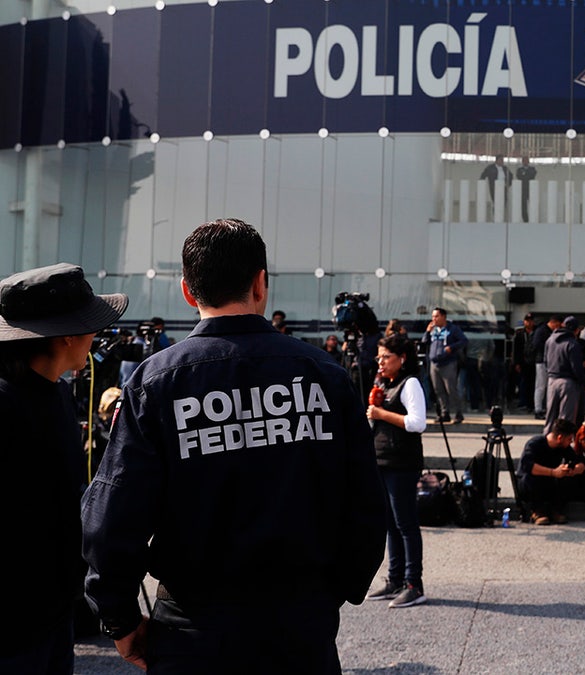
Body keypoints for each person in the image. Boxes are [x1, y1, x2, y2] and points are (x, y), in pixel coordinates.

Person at [81, 218, 386, 673]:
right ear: (261, 284)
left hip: (194, 630)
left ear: (188, 290)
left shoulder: (157, 382)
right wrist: (329, 594)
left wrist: (119, 621)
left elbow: (111, 519)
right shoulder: (326, 375)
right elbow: (367, 507)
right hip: (300, 628)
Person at [0, 263, 127, 674]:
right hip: (12, 623)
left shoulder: (55, 394)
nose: (96, 337)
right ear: (68, 335)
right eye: (92, 326)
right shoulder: (8, 404)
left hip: (52, 613)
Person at [365, 335, 429, 609]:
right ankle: (395, 578)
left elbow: (417, 423)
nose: (380, 361)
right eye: (379, 357)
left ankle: (414, 584)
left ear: (402, 358)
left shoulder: (410, 383)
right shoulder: (384, 384)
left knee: (406, 524)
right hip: (382, 460)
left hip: (402, 463)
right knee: (389, 524)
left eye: (386, 357)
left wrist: (380, 413)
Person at [517, 418, 585, 525]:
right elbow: (528, 466)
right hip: (531, 484)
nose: (571, 442)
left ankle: (556, 511)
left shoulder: (564, 447)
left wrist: (575, 470)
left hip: (549, 483)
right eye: (569, 439)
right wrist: (553, 472)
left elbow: (580, 461)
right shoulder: (535, 444)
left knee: (568, 480)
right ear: (560, 438)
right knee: (530, 479)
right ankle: (537, 512)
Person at [422, 307, 468, 424]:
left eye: (436, 316)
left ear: (443, 317)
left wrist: (451, 348)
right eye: (433, 316)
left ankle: (458, 413)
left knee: (450, 389)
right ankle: (444, 413)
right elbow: (424, 342)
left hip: (448, 363)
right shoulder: (433, 330)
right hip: (434, 363)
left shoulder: (452, 329)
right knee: (438, 390)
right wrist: (427, 331)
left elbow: (463, 341)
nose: (434, 319)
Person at [544, 316, 585, 434]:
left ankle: (547, 441)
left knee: (551, 416)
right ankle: (563, 444)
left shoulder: (550, 340)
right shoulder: (573, 343)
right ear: (577, 330)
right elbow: (576, 367)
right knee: (566, 418)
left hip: (552, 380)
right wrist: (584, 382)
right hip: (568, 382)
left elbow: (545, 361)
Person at [515, 156, 537, 222]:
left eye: (527, 160)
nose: (525, 162)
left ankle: (533, 218)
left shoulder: (532, 169)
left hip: (531, 188)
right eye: (524, 160)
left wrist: (525, 175)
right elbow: (519, 176)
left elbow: (532, 175)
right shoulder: (519, 170)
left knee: (532, 204)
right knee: (523, 205)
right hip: (523, 189)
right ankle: (525, 219)